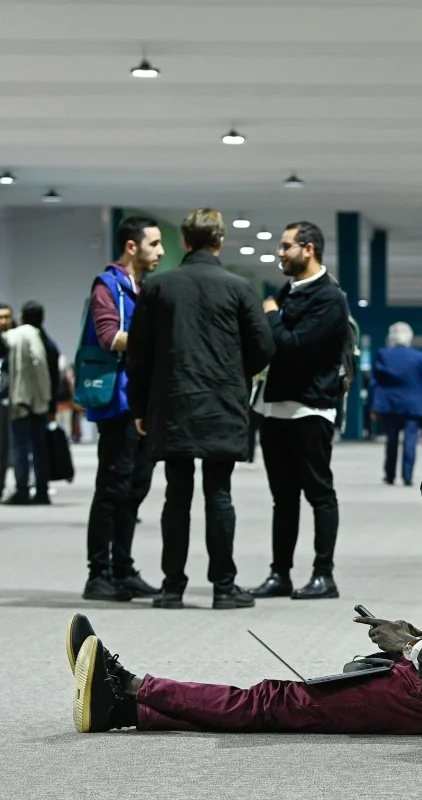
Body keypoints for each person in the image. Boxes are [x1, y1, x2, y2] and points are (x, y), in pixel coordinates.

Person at [67, 452, 422, 738]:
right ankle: (123, 709)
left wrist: (411, 647)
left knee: (273, 701)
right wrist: (416, 637)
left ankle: (131, 685)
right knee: (286, 701)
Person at [126, 208, 275, 610]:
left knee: (176, 494)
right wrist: (232, 372)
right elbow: (263, 349)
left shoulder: (158, 287)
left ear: (186, 242)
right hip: (222, 404)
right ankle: (224, 588)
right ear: (219, 242)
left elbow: (137, 354)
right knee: (219, 495)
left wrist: (140, 406)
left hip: (172, 402)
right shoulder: (239, 288)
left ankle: (172, 587)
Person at [248, 222, 350, 602]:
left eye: (286, 246)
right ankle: (281, 574)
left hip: (311, 409)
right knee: (283, 498)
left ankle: (324, 575)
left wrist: (272, 315)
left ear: (308, 249)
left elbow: (290, 346)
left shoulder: (330, 298)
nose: (280, 253)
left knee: (320, 495)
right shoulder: (288, 291)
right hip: (274, 408)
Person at [80, 216, 164, 603]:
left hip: (141, 403)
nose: (161, 251)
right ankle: (99, 573)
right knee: (112, 488)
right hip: (117, 404)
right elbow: (109, 336)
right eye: (154, 244)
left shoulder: (141, 286)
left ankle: (123, 568)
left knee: (135, 488)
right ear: (133, 247)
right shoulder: (107, 285)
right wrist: (157, 338)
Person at [1, 301, 59, 506]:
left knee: (19, 447)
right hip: (39, 403)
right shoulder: (47, 342)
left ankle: (22, 490)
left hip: (21, 400)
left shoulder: (18, 337)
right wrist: (49, 403)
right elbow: (51, 374)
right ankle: (41, 490)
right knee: (39, 448)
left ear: (22, 317)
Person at [370, 322, 422, 487]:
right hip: (414, 406)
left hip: (390, 405)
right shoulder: (421, 357)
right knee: (410, 441)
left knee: (391, 440)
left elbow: (376, 382)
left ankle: (390, 475)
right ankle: (407, 476)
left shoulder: (383, 354)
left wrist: (374, 405)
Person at [0, 303, 13, 499]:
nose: (3, 321)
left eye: (6, 317)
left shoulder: (14, 343)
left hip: (6, 401)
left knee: (3, 448)